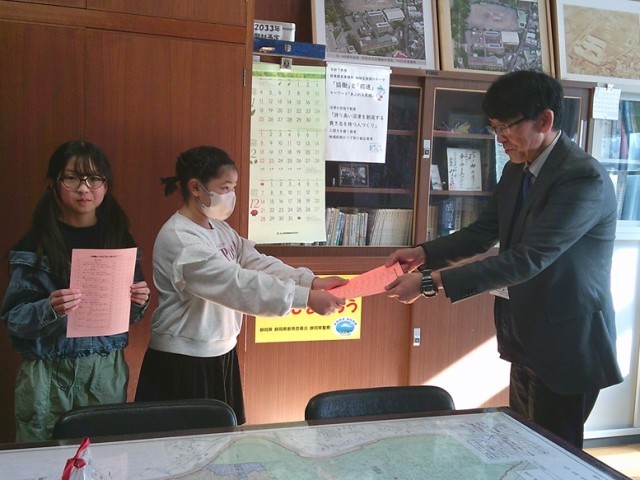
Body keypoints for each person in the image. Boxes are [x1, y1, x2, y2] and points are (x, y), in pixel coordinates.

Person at [385, 70, 622, 449]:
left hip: (566, 342)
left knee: (553, 455)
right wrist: (424, 254)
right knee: (524, 443)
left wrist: (430, 283)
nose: (500, 138)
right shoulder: (518, 169)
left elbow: (527, 260)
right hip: (523, 333)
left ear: (544, 120)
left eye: (506, 127)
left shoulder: (581, 179)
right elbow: (484, 232)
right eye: (494, 128)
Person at [134, 145, 346, 424]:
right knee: (184, 443)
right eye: (225, 188)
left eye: (233, 187)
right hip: (182, 360)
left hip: (221, 352)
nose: (231, 196)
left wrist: (311, 281)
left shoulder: (218, 228)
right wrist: (304, 298)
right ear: (196, 187)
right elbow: (235, 284)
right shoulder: (181, 238)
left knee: (222, 439)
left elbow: (255, 263)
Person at [1, 140, 150, 442]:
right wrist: (49, 308)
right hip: (47, 373)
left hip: (104, 371)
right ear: (53, 184)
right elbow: (14, 319)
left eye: (94, 178)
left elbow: (130, 318)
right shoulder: (34, 245)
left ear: (106, 185)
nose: (84, 188)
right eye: (71, 178)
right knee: (43, 455)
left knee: (103, 453)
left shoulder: (119, 239)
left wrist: (138, 301)